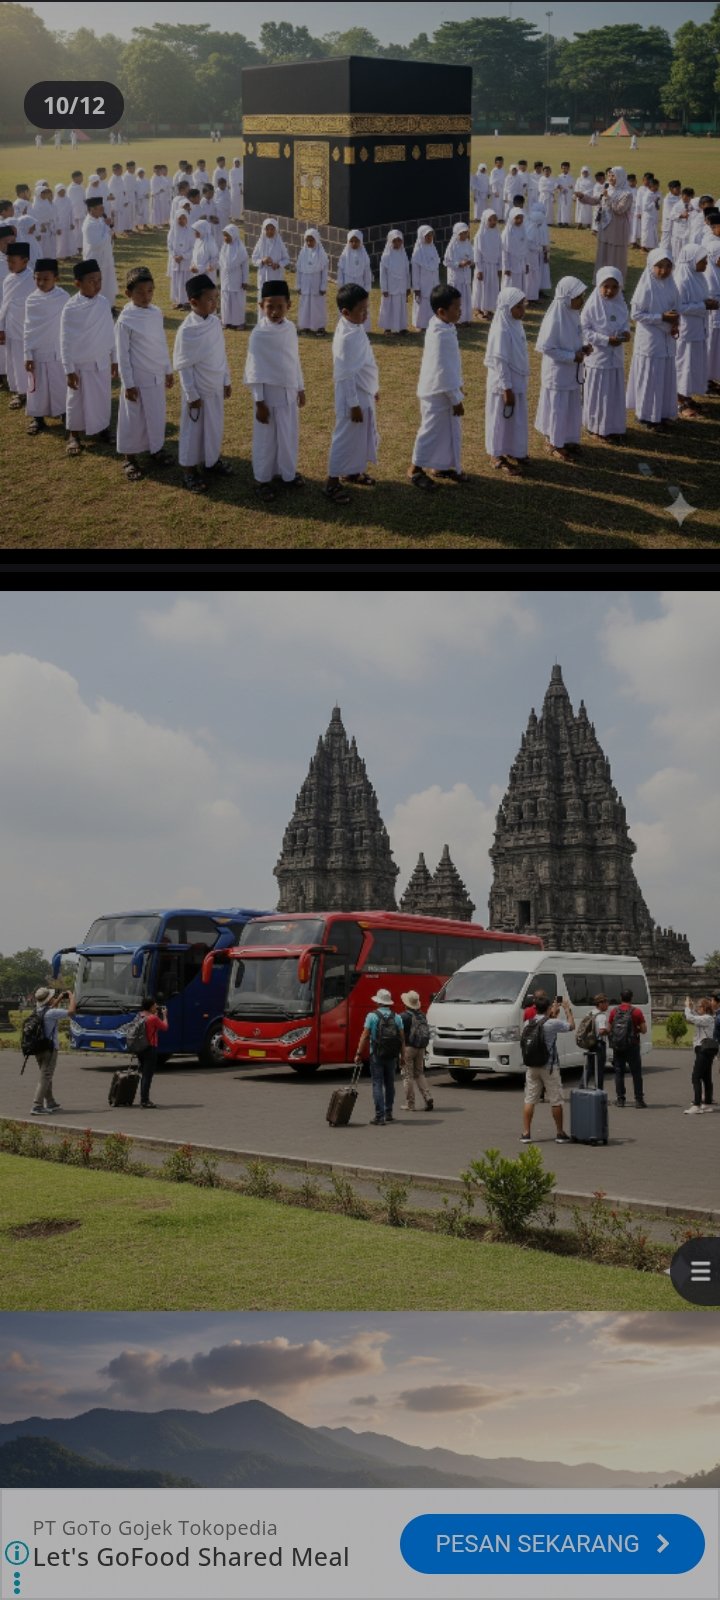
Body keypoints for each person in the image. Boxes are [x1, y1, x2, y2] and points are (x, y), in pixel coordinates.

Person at [243, 279, 305, 501]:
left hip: (288, 394)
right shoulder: (259, 335)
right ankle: (263, 479)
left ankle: (286, 473)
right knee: (266, 440)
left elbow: (294, 359)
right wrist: (259, 402)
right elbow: (255, 371)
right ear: (261, 306)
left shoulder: (289, 328)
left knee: (288, 436)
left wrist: (300, 387)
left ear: (289, 305)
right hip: (267, 397)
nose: (275, 311)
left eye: (280, 306)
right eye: (270, 306)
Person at [173, 271, 233, 493]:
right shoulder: (187, 331)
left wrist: (226, 379)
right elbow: (184, 365)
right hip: (198, 391)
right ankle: (189, 471)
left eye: (216, 298)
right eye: (210, 299)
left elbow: (221, 353)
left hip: (216, 386)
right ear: (194, 302)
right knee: (193, 431)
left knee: (214, 427)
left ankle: (211, 460)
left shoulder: (215, 323)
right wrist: (191, 395)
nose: (215, 302)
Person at [115, 266, 174, 482]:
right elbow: (123, 354)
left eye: (150, 291)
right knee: (134, 419)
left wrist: (168, 369)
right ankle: (129, 457)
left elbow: (161, 343)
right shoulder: (125, 320)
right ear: (128, 294)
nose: (145, 296)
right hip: (136, 380)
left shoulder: (156, 312)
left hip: (156, 376)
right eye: (139, 292)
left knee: (156, 415)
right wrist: (128, 383)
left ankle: (155, 449)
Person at [324, 282, 379, 504]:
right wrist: (354, 404)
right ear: (345, 312)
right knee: (345, 437)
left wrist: (374, 388)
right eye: (361, 311)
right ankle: (331, 482)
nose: (366, 314)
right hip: (351, 397)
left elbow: (365, 361)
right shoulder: (346, 337)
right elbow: (345, 374)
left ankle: (352, 471)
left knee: (359, 436)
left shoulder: (354, 327)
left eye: (367, 308)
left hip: (363, 391)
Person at [409, 283, 466, 491]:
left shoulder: (443, 325)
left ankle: (440, 465)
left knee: (447, 431)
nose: (460, 311)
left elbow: (452, 365)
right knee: (431, 431)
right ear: (441, 311)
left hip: (447, 390)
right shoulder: (440, 334)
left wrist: (458, 387)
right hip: (436, 392)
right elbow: (444, 370)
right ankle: (415, 468)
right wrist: (456, 397)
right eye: (456, 308)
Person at [61, 259, 117, 456]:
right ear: (78, 283)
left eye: (100, 280)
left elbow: (110, 333)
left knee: (102, 398)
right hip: (79, 365)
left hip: (101, 361)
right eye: (92, 281)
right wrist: (68, 369)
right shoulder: (70, 307)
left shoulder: (103, 302)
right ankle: (74, 435)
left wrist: (115, 359)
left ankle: (103, 428)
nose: (97, 284)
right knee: (75, 400)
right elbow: (65, 340)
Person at [535, 276, 591, 462]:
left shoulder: (573, 314)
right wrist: (571, 356)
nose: (581, 300)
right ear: (567, 297)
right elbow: (547, 347)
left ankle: (568, 438)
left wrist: (582, 348)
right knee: (557, 409)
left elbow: (574, 338)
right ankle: (554, 442)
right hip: (557, 373)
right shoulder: (555, 317)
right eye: (578, 297)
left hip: (571, 373)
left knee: (571, 407)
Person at [626, 249, 680, 430]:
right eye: (659, 266)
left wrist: (675, 321)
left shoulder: (672, 284)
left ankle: (662, 413)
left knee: (664, 376)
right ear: (651, 266)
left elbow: (676, 307)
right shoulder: (646, 286)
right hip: (650, 340)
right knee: (650, 377)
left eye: (667, 267)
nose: (663, 271)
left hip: (667, 339)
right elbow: (636, 314)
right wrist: (661, 318)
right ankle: (646, 415)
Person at [580, 266, 631, 443]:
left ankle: (612, 426)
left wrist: (626, 333)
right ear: (599, 285)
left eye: (614, 287)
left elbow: (625, 323)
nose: (610, 291)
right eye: (606, 286)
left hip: (615, 357)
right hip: (598, 358)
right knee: (598, 394)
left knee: (612, 394)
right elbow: (584, 330)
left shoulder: (621, 303)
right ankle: (595, 427)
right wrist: (605, 339)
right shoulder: (592, 305)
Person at [484, 286, 529, 476]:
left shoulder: (515, 324)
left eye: (523, 305)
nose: (522, 310)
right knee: (499, 418)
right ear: (506, 308)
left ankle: (513, 448)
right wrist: (506, 388)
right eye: (518, 307)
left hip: (516, 380)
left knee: (514, 418)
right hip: (504, 384)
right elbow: (500, 362)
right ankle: (496, 454)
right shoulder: (501, 330)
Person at [23, 258, 68, 437]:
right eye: (37, 278)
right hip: (37, 351)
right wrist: (27, 354)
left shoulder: (63, 297)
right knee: (37, 386)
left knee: (60, 384)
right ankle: (38, 418)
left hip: (58, 351)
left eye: (46, 279)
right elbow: (28, 329)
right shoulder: (31, 300)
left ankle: (65, 413)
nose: (41, 283)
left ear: (56, 278)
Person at [520, 995, 574, 1144]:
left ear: (535, 1008)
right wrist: (567, 1009)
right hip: (549, 1066)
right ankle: (559, 1132)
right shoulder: (552, 1023)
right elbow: (571, 1026)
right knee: (556, 1100)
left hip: (532, 1066)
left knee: (529, 1099)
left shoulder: (527, 1023)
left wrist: (552, 1013)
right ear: (548, 1008)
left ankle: (526, 1133)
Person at [675, 243, 717, 419]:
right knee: (683, 364)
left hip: (699, 328)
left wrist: (707, 302)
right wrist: (704, 305)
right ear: (692, 260)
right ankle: (679, 401)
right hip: (686, 330)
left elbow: (699, 299)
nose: (706, 264)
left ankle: (688, 397)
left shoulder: (698, 277)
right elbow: (679, 307)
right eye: (703, 260)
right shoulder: (682, 279)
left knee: (693, 365)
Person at [353, 987, 405, 1126]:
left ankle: (379, 1116)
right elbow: (402, 1039)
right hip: (392, 1056)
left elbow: (365, 1036)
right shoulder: (397, 1017)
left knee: (377, 1084)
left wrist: (358, 1053)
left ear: (378, 1002)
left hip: (376, 1054)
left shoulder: (372, 1016)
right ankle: (388, 1113)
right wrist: (402, 1057)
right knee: (390, 1084)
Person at [29, 985, 77, 1115]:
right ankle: (37, 1105)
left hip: (38, 1048)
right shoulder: (51, 1013)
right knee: (46, 1076)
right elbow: (71, 1012)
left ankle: (50, 1102)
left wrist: (60, 997)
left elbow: (50, 1007)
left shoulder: (38, 1010)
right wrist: (72, 996)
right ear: (49, 999)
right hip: (49, 1050)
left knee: (46, 1075)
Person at [0, 241, 33, 409]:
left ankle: (32, 392)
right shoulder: (8, 280)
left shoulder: (33, 279)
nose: (10, 265)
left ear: (25, 261)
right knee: (13, 361)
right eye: (8, 261)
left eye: (13, 261)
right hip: (12, 328)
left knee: (27, 361)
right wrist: (2, 327)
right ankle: (19, 392)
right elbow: (5, 305)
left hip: (28, 330)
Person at [607, 987, 647, 1108]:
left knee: (619, 1072)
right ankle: (639, 1100)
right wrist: (636, 1029)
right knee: (636, 1073)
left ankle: (620, 1099)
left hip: (618, 1046)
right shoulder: (637, 1012)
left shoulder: (614, 1011)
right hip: (632, 1045)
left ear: (621, 998)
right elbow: (644, 1030)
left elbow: (609, 1029)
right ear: (631, 998)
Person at [399, 990, 433, 1111]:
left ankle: (410, 1103)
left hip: (408, 1048)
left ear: (406, 1003)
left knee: (407, 1076)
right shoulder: (422, 1015)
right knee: (419, 1073)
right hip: (421, 1048)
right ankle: (427, 1096)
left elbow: (400, 1035)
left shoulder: (403, 1017)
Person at [82, 195, 118, 310]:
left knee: (108, 282)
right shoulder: (89, 224)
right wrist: (108, 232)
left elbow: (106, 233)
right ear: (92, 209)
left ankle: (109, 305)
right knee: (97, 283)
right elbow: (96, 243)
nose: (103, 211)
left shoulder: (99, 219)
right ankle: (98, 307)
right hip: (96, 258)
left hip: (105, 257)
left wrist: (108, 226)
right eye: (100, 208)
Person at [683, 997, 717, 1113]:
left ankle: (697, 1105)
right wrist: (691, 1008)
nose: (698, 1009)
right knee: (706, 1077)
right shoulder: (706, 1018)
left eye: (699, 1007)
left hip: (704, 1050)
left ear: (705, 1008)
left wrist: (687, 1007)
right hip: (706, 1050)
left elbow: (690, 1018)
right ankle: (707, 1103)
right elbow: (694, 1017)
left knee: (696, 1077)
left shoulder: (707, 1018)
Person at [134, 996, 169, 1109]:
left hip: (140, 1048)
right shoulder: (153, 1018)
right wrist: (164, 1015)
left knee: (143, 1074)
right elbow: (164, 1027)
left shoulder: (140, 1015)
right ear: (150, 1007)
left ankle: (143, 1098)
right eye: (154, 1005)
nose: (156, 1007)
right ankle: (145, 1100)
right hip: (150, 1048)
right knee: (147, 1076)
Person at [296, 229, 329, 336]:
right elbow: (299, 271)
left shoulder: (322, 255)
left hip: (316, 285)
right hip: (305, 285)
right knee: (305, 305)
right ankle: (304, 326)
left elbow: (324, 272)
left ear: (317, 240)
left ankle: (319, 327)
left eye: (311, 240)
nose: (309, 243)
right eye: (307, 241)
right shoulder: (302, 253)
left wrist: (323, 286)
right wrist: (298, 285)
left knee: (317, 306)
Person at [379, 229, 410, 334]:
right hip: (390, 287)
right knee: (389, 307)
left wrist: (408, 286)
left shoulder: (403, 255)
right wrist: (384, 288)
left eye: (399, 241)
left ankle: (402, 327)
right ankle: (388, 328)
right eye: (394, 241)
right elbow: (383, 274)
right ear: (390, 241)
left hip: (401, 287)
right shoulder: (386, 256)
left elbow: (407, 272)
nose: (397, 243)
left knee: (401, 307)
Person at [472, 209, 502, 321]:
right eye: (490, 220)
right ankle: (479, 310)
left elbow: (500, 251)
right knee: (482, 288)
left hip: (494, 266)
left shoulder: (497, 234)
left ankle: (488, 308)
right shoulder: (480, 235)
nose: (493, 222)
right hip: (483, 266)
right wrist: (479, 269)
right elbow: (477, 253)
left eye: (495, 219)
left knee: (492, 287)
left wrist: (500, 267)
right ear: (485, 220)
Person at [219, 225, 249, 330]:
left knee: (237, 302)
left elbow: (245, 266)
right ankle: (226, 321)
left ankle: (238, 322)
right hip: (226, 279)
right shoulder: (224, 247)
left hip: (237, 280)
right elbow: (222, 263)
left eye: (228, 236)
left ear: (234, 235)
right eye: (224, 236)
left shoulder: (240, 249)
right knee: (226, 300)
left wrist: (245, 280)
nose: (226, 238)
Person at [411, 225, 440, 332]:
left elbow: (436, 267)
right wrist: (416, 287)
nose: (429, 238)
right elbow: (415, 272)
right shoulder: (418, 252)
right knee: (422, 304)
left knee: (432, 302)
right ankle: (420, 324)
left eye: (431, 235)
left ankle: (431, 322)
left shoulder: (433, 248)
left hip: (433, 282)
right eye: (427, 236)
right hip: (422, 283)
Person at [251, 218, 290, 298]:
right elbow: (254, 259)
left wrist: (278, 264)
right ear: (264, 230)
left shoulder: (279, 243)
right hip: (263, 276)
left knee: (275, 298)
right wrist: (262, 261)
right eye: (267, 229)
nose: (269, 231)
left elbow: (286, 259)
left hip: (276, 276)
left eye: (272, 229)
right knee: (263, 300)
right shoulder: (260, 242)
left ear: (276, 230)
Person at [443, 222, 473, 325]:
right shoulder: (452, 246)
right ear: (457, 234)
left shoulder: (468, 244)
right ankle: (455, 319)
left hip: (465, 276)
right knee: (456, 298)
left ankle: (464, 319)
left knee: (465, 298)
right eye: (462, 233)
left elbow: (472, 256)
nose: (464, 235)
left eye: (466, 233)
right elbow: (447, 261)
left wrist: (470, 261)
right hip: (456, 277)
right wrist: (459, 264)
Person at [336, 230, 372, 313]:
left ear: (361, 241)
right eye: (351, 241)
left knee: (360, 307)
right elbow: (340, 273)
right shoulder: (344, 256)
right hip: (347, 286)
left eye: (356, 241)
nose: (354, 243)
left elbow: (367, 274)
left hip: (360, 286)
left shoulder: (364, 256)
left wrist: (367, 289)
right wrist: (340, 288)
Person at [167, 210, 193, 309]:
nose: (182, 221)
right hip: (176, 260)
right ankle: (178, 301)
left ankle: (186, 301)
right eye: (179, 219)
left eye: (184, 218)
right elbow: (170, 245)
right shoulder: (173, 231)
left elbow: (193, 247)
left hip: (186, 261)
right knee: (176, 281)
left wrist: (183, 256)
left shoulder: (190, 231)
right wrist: (174, 256)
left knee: (185, 281)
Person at [501, 207, 529, 294]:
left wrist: (527, 263)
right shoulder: (507, 232)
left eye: (521, 218)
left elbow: (525, 248)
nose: (519, 220)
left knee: (520, 284)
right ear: (512, 218)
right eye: (517, 218)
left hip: (521, 262)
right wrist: (506, 267)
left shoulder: (523, 229)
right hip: (511, 263)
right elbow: (504, 251)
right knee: (510, 284)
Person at [584, 993, 609, 1089]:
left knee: (589, 1068)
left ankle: (582, 1087)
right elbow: (602, 1031)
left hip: (590, 1043)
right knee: (599, 1070)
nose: (608, 1005)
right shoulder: (601, 1016)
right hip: (599, 1044)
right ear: (601, 1003)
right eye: (606, 1002)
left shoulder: (590, 1013)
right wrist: (609, 1030)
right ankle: (599, 1091)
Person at [190, 219, 219, 285]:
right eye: (195, 231)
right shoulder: (197, 241)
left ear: (203, 231)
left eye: (197, 231)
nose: (195, 233)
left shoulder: (210, 243)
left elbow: (215, 259)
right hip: (197, 274)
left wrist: (200, 269)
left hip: (207, 276)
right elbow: (194, 256)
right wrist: (192, 266)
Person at [67, 172, 86, 253]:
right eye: (80, 177)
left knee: (82, 230)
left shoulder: (81, 186)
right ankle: (77, 247)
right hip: (75, 213)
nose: (82, 179)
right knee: (76, 231)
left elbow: (83, 199)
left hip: (82, 212)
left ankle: (81, 245)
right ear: (75, 178)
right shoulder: (72, 188)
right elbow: (74, 202)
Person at [556, 162, 574, 227]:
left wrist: (569, 188)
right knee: (560, 207)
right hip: (561, 194)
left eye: (566, 168)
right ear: (561, 168)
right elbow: (556, 184)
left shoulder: (571, 177)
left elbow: (572, 186)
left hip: (568, 194)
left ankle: (566, 222)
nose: (564, 169)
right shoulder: (559, 177)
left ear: (568, 168)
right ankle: (560, 221)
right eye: (563, 168)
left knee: (567, 208)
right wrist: (560, 187)